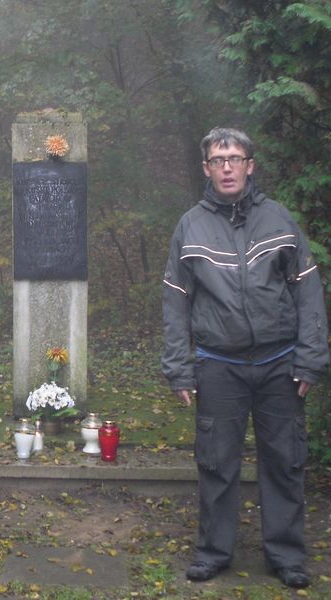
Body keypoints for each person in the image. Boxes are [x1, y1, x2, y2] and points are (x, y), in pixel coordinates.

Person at [162, 128, 329, 589]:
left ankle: (286, 556)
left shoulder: (279, 219)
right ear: (206, 169)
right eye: (218, 160)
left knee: (285, 460)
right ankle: (213, 552)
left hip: (280, 363)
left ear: (251, 165)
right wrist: (179, 366)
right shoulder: (189, 226)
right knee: (216, 463)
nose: (228, 167)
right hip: (218, 365)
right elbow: (176, 302)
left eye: (236, 158)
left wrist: (312, 358)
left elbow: (308, 293)